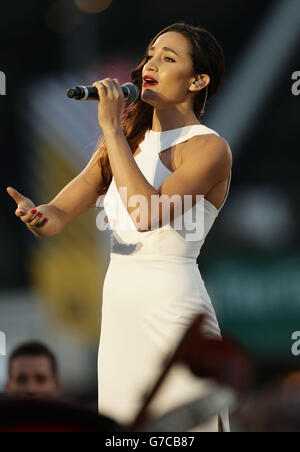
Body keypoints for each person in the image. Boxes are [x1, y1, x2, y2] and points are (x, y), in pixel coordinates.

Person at [7, 22, 232, 431]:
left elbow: (147, 216)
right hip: (120, 312)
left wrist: (110, 128)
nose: (150, 64)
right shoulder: (126, 141)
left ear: (198, 80)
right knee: (125, 430)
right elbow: (57, 217)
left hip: (173, 309)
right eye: (149, 55)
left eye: (168, 58)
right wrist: (36, 216)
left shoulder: (208, 146)